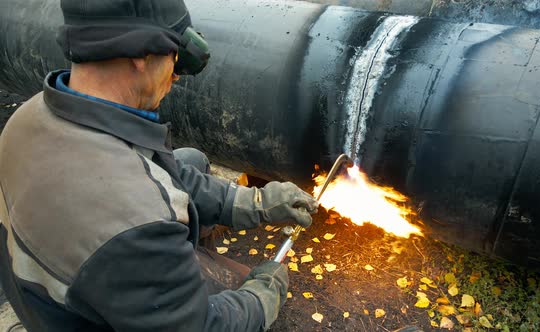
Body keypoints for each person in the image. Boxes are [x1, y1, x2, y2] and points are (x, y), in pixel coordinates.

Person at [0, 0, 319, 331]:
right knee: (247, 294)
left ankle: (190, 259)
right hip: (79, 316)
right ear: (140, 52)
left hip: (54, 281)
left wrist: (256, 203)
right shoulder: (135, 223)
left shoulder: (32, 115)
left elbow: (160, 171)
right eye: (175, 57)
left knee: (190, 159)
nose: (177, 76)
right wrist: (258, 299)